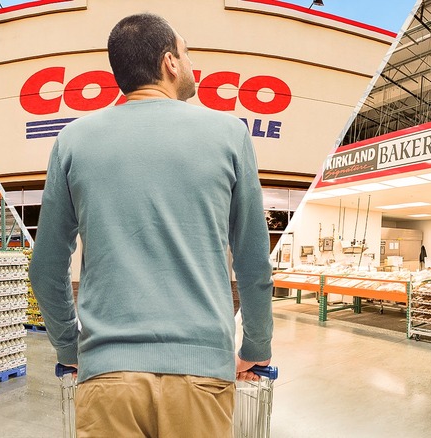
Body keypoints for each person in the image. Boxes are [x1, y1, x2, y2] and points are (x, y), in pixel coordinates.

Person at [29, 13, 273, 437]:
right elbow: (253, 263)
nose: (190, 61)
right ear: (170, 63)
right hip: (201, 377)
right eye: (186, 51)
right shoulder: (229, 134)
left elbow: (47, 268)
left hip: (106, 376)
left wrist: (70, 347)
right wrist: (256, 346)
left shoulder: (73, 140)